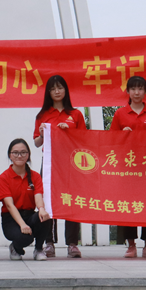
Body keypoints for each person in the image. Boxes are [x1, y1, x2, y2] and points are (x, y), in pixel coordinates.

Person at [109, 75, 146, 259]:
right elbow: (111, 141)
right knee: (128, 205)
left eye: (140, 89)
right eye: (133, 89)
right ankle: (130, 244)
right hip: (128, 167)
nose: (137, 92)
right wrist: (121, 135)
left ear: (145, 91)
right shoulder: (120, 114)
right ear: (128, 91)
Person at [33, 75, 87, 258]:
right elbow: (36, 143)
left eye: (60, 88)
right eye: (52, 89)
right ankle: (49, 242)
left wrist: (69, 133)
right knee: (48, 201)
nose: (57, 92)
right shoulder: (42, 115)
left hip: (71, 164)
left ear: (66, 90)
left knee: (72, 200)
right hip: (49, 163)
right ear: (48, 92)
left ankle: (72, 243)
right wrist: (42, 134)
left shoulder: (76, 114)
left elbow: (84, 140)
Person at [0, 138, 51, 261]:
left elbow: (38, 196)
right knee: (25, 238)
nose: (19, 156)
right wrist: (22, 224)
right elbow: (9, 205)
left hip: (29, 215)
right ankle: (15, 247)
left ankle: (39, 249)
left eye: (23, 152)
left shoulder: (35, 176)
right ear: (10, 155)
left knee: (45, 217)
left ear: (28, 155)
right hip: (11, 218)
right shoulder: (4, 177)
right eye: (15, 153)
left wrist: (41, 209)